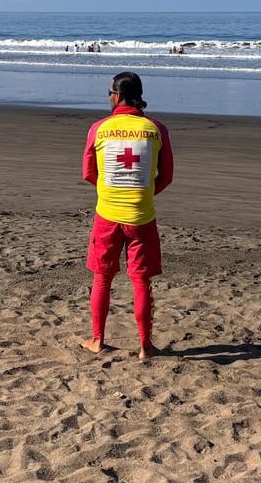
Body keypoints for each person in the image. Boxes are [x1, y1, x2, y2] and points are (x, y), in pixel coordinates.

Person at [80, 72, 174, 360]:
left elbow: (88, 173)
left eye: (110, 93)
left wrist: (110, 192)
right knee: (141, 281)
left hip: (107, 215)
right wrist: (142, 195)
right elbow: (166, 177)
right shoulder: (156, 129)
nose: (109, 97)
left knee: (102, 278)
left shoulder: (99, 128)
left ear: (118, 95)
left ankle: (97, 340)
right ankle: (146, 346)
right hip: (141, 216)